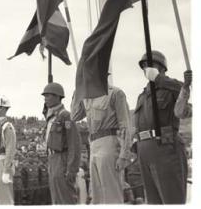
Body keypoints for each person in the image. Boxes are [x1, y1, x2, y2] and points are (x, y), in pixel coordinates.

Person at [133, 51, 192, 204]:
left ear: (162, 68)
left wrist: (159, 79)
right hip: (144, 150)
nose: (146, 68)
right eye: (144, 66)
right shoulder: (142, 95)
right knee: (153, 202)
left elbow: (183, 92)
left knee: (172, 200)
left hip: (164, 147)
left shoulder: (172, 87)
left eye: (150, 65)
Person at [71, 74, 133, 203]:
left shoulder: (116, 93)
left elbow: (125, 125)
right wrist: (78, 91)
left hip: (109, 142)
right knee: (96, 195)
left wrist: (124, 154)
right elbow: (75, 116)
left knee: (112, 193)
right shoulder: (87, 97)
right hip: (93, 144)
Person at [42, 82, 81, 204]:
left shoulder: (65, 116)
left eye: (48, 95)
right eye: (45, 96)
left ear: (57, 96)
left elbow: (74, 144)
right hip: (52, 158)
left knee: (65, 196)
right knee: (56, 198)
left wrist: (72, 168)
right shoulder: (51, 117)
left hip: (62, 159)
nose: (45, 98)